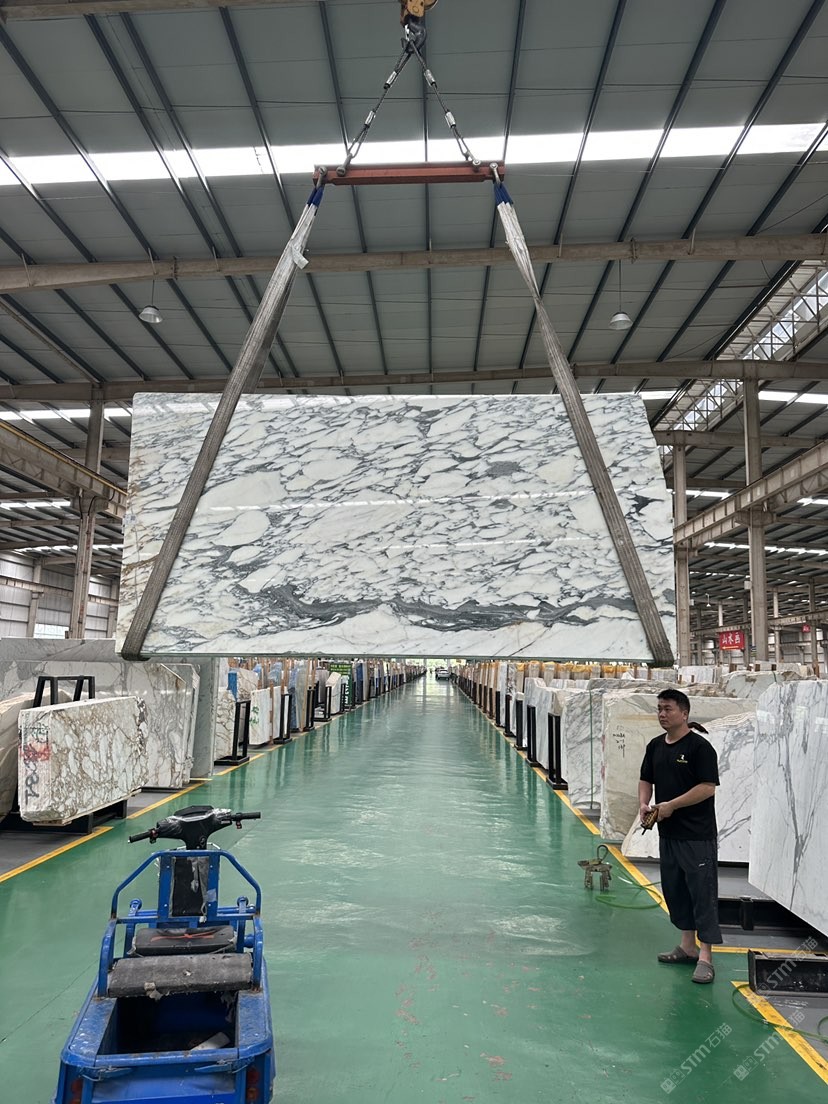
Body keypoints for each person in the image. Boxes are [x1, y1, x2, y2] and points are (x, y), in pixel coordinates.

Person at [638, 688, 721, 984]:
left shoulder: (700, 748)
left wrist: (672, 805)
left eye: (668, 709)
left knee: (702, 894)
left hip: (697, 836)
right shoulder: (655, 746)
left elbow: (707, 787)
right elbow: (646, 778)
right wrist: (644, 803)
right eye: (659, 709)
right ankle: (687, 947)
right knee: (676, 891)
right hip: (669, 834)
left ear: (684, 713)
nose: (662, 714)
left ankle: (705, 956)